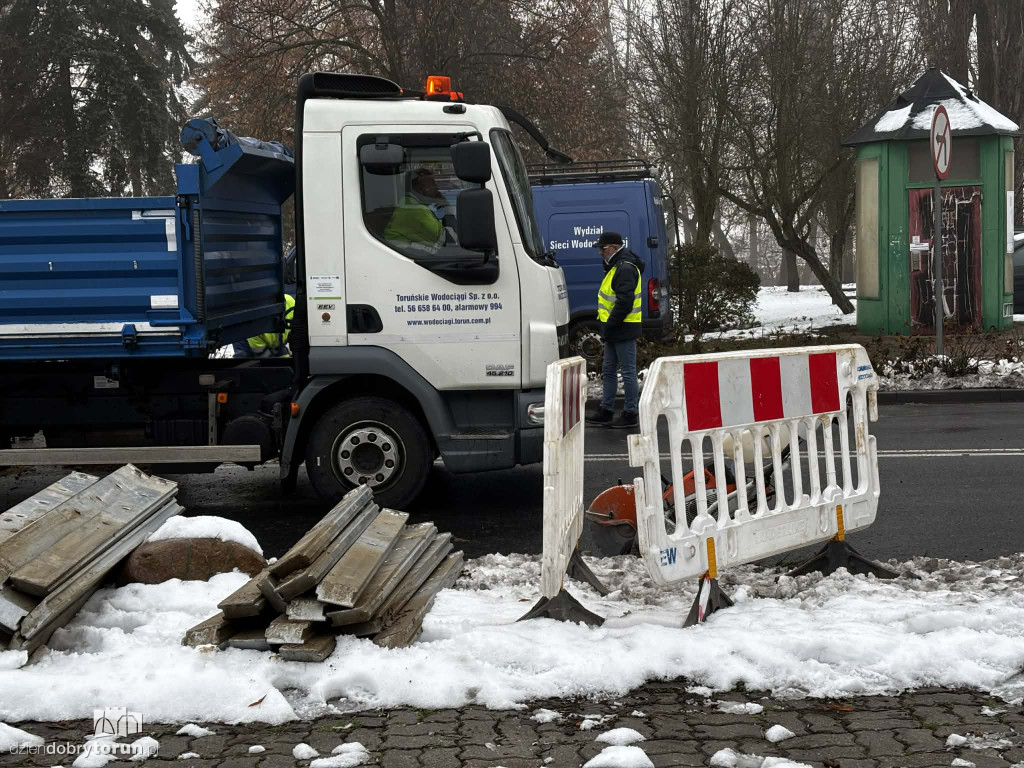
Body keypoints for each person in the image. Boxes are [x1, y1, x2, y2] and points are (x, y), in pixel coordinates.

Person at [586, 231, 644, 429]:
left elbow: (625, 302)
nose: (600, 253)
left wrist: (610, 324)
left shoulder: (624, 268)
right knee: (609, 370)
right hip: (614, 327)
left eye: (602, 249)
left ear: (613, 247)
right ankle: (606, 410)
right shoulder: (616, 266)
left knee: (627, 372)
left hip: (623, 327)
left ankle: (630, 413)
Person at [383, 167, 448, 254]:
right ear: (419, 188)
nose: (436, 187)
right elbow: (443, 238)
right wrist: (447, 208)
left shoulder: (407, 201)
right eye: (432, 183)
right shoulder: (416, 209)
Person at [233, 293, 295, 358]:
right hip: (246, 342)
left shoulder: (290, 303)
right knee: (243, 357)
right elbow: (264, 356)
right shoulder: (253, 326)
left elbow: (282, 350)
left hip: (275, 343)